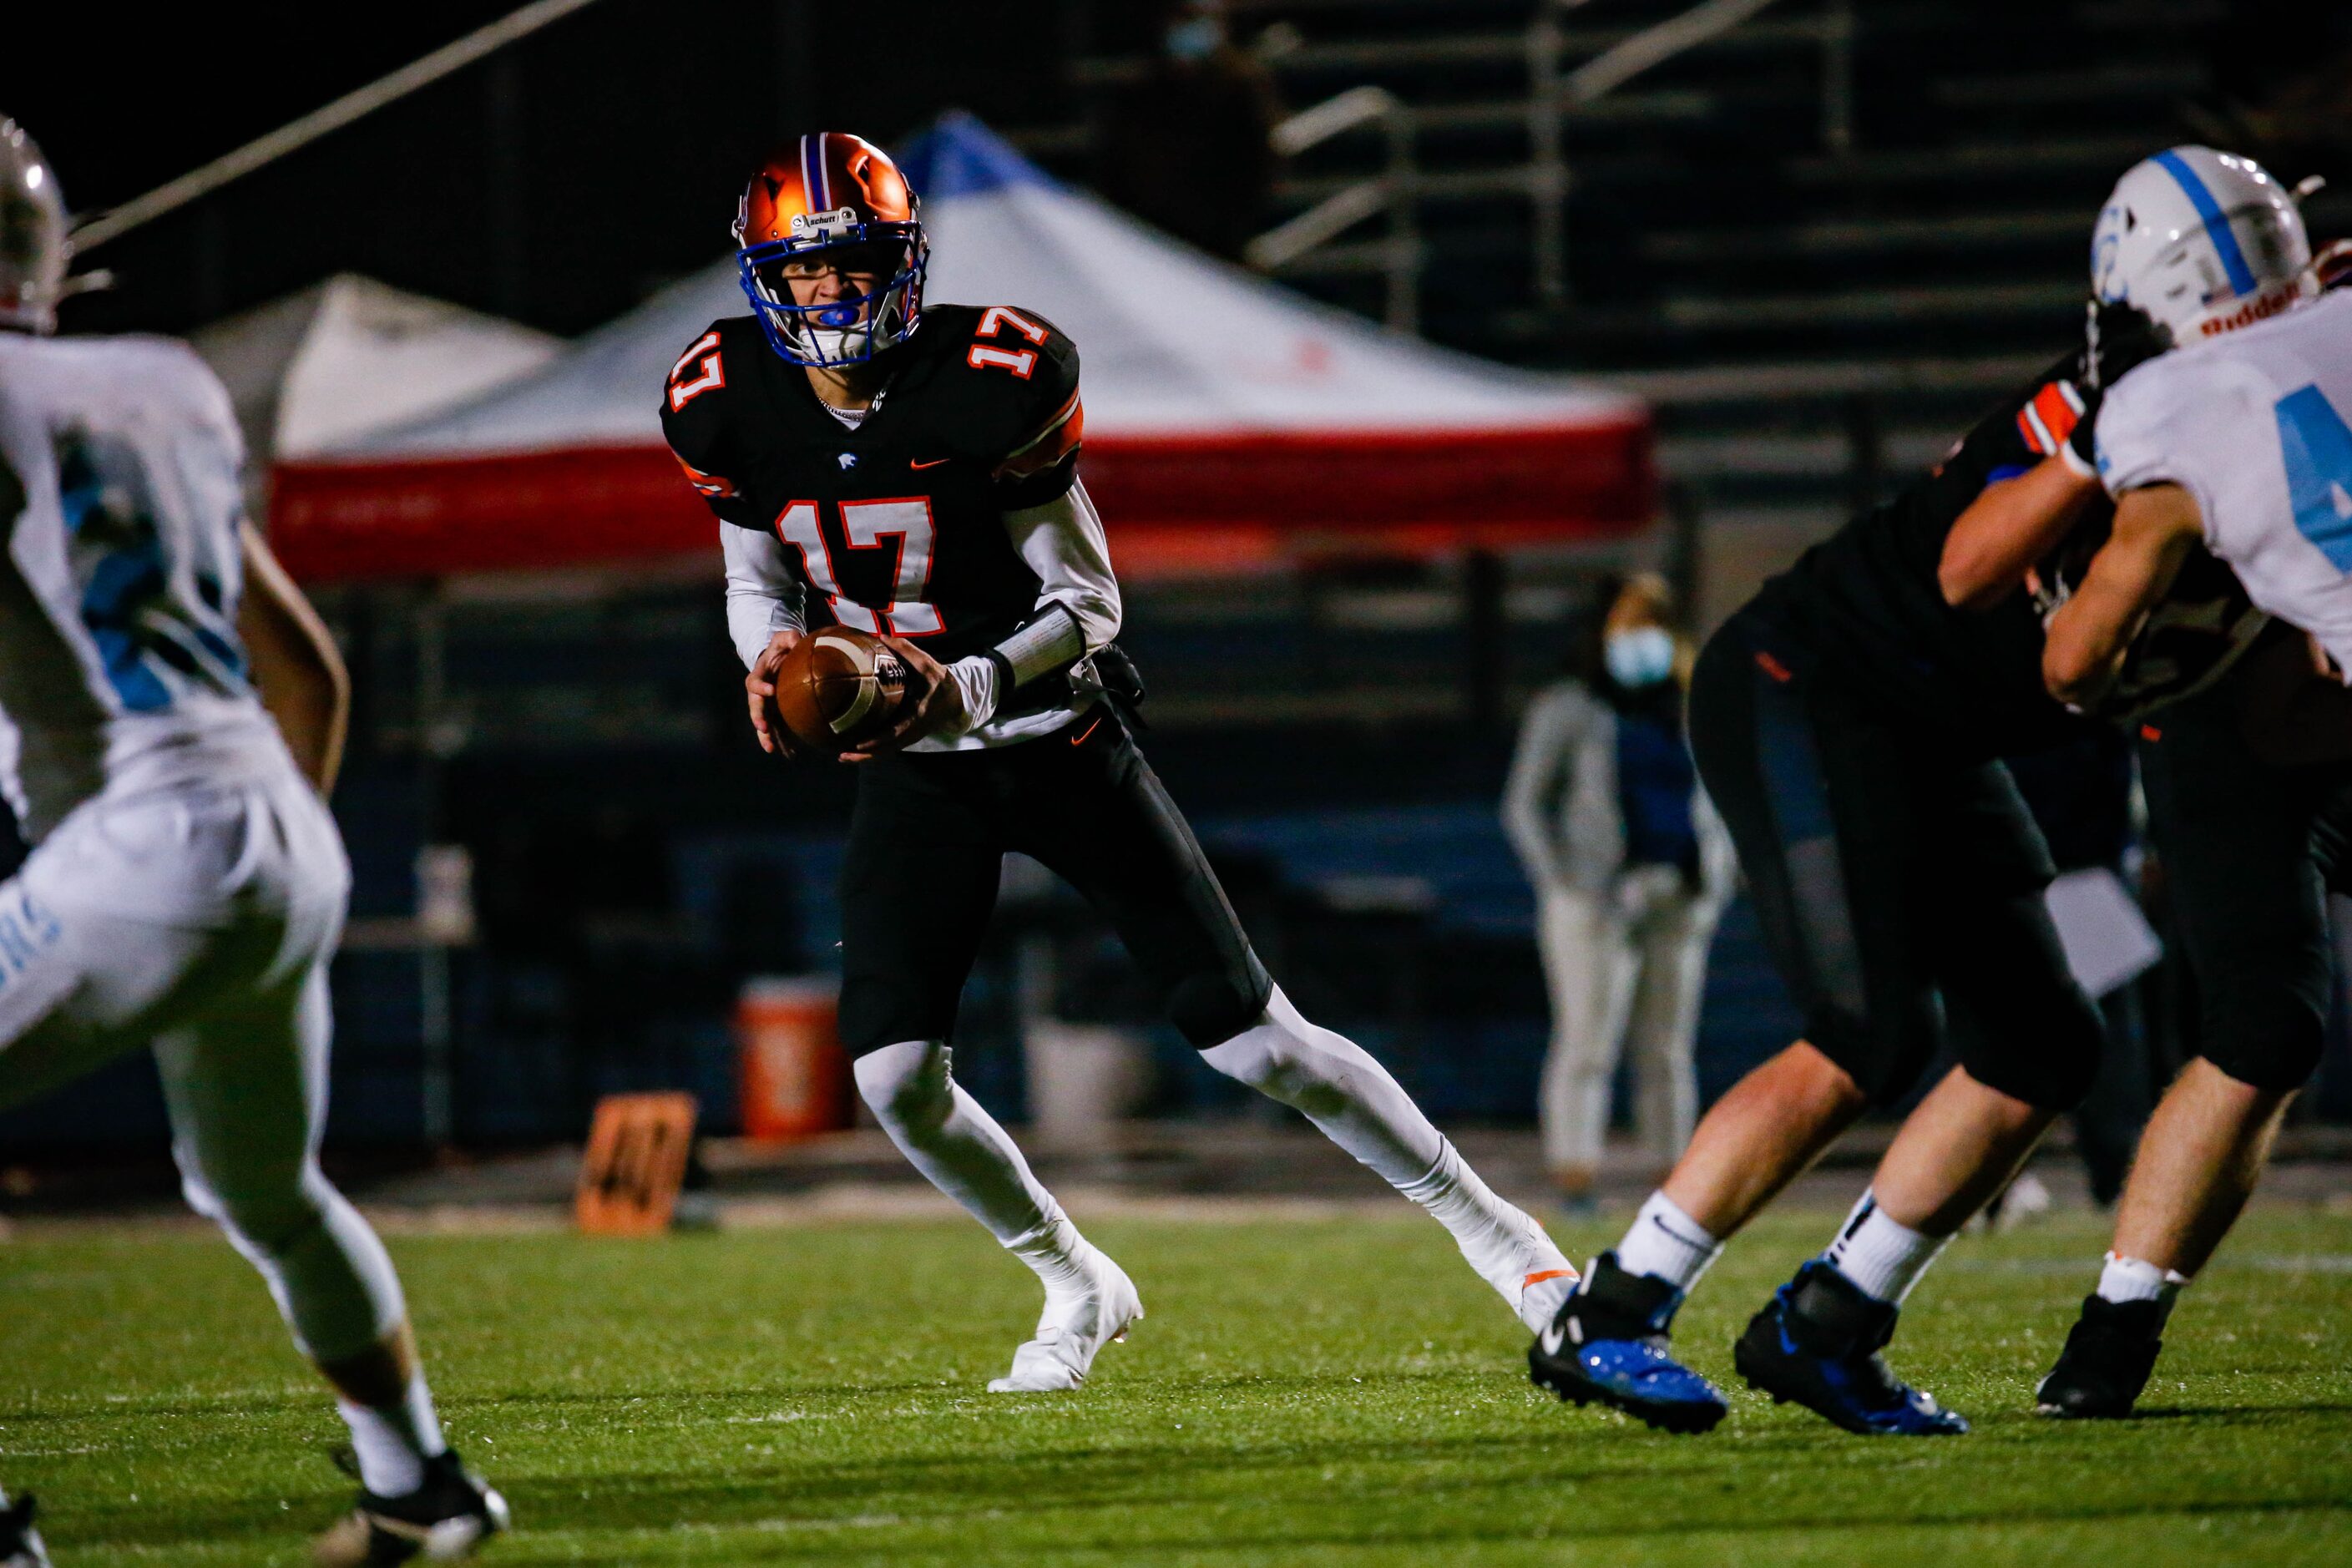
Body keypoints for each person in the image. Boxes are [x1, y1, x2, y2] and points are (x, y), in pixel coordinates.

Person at [660, 133, 1578, 1394]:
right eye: (803, 273)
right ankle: (1074, 1276)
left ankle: (1504, 1237)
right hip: (919, 762)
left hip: (1052, 733)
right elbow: (751, 577)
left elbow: (1089, 603)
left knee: (1255, 1042)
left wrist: (971, 682)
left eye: (851, 265)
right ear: (764, 279)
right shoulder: (722, 399)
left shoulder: (994, 376)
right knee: (890, 1079)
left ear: (904, 263)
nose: (827, 296)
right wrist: (768, 657)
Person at [1524, 225, 2243, 1434]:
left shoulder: (2216, 408)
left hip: (1922, 722)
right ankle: (1611, 1309)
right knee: (1869, 1027)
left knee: (2041, 1039)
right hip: (1812, 682)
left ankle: (1830, 1322)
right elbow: (1976, 577)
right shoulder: (2122, 401)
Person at [0, 121, 503, 1567]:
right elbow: (313, 676)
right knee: (264, 1190)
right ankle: (424, 1484)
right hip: (280, 833)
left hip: (142, 837)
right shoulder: (165, 384)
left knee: (262, 1190)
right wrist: (254, 879)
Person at [1935, 145, 2352, 1416]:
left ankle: (2105, 1334)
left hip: (2249, 701)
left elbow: (2046, 638)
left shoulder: (2158, 405)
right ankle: (2114, 1328)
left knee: (2255, 1027)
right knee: (2261, 1024)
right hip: (2242, 721)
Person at [1502, 573, 1732, 1209]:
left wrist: (1713, 878)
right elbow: (1524, 805)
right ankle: (1574, 1176)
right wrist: (1563, 883)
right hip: (1595, 902)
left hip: (1676, 897)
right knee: (1586, 1044)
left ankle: (1676, 1184)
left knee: (1665, 1049)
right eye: (1628, 627)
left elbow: (1717, 800)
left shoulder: (1686, 704)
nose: (1642, 642)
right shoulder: (1570, 707)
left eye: (1652, 626)